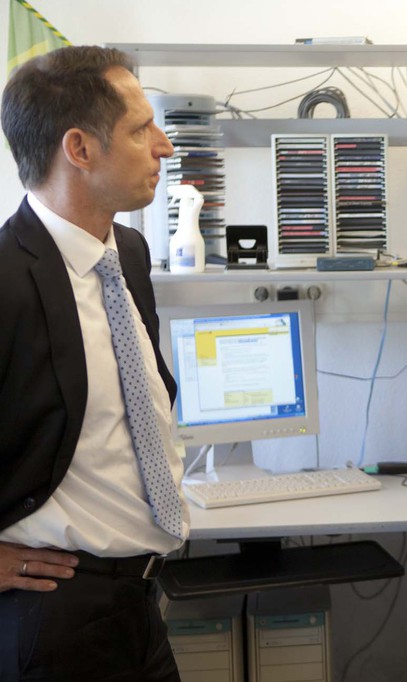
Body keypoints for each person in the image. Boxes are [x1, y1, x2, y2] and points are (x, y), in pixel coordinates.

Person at [0, 46, 188, 681]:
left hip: (140, 604)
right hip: (54, 614)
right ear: (79, 149)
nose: (164, 147)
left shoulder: (127, 253)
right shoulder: (5, 279)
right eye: (141, 130)